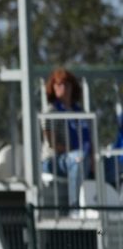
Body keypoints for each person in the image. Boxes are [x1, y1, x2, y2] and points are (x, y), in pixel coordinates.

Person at [41, 68, 93, 208]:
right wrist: (76, 153)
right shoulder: (51, 111)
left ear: (72, 87)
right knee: (79, 158)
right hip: (54, 160)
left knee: (108, 163)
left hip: (81, 156)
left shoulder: (80, 112)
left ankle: (107, 208)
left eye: (66, 84)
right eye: (58, 84)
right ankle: (75, 208)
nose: (62, 88)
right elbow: (52, 143)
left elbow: (90, 139)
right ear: (52, 88)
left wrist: (93, 158)